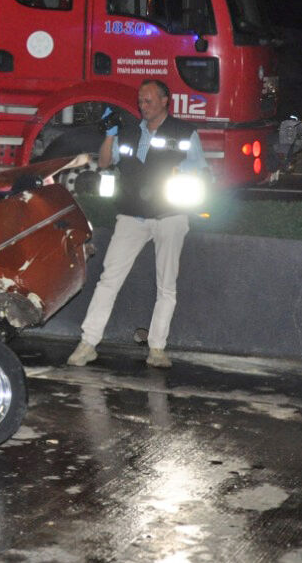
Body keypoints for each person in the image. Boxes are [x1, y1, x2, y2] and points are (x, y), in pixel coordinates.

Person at [67, 79, 210, 369]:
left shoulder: (184, 132)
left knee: (166, 285)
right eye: (141, 101)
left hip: (170, 215)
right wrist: (110, 135)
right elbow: (104, 162)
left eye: (149, 100)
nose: (143, 106)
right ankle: (88, 343)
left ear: (165, 100)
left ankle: (157, 349)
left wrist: (183, 171)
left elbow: (200, 168)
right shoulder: (130, 132)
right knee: (109, 280)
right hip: (132, 215)